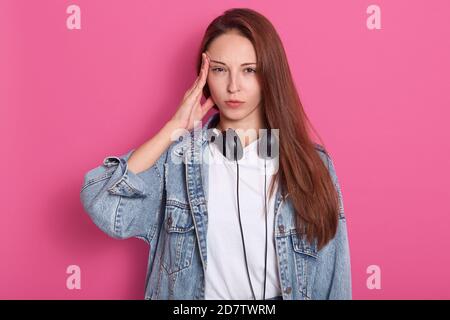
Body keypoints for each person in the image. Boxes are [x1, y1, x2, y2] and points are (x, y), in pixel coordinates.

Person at [80, 7, 352, 300]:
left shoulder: (312, 164)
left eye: (249, 70)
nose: (233, 86)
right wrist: (173, 129)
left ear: (270, 74)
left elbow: (335, 277)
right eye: (220, 70)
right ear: (204, 76)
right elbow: (103, 203)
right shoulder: (178, 161)